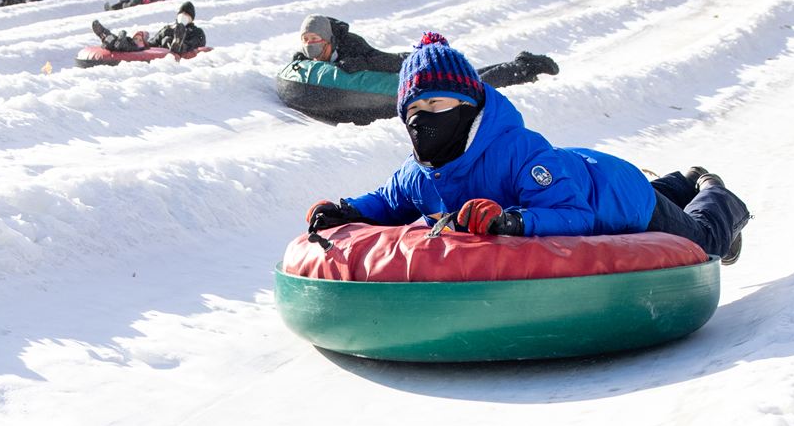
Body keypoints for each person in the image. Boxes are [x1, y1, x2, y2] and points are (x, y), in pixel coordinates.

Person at [303, 33, 749, 264]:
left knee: (705, 242)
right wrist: (350, 210)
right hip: (576, 173)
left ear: (468, 104)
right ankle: (680, 181)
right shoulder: (419, 173)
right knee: (657, 194)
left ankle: (710, 189)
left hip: (618, 196)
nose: (423, 118)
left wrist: (511, 220)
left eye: (436, 103)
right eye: (413, 109)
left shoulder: (518, 150)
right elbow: (388, 201)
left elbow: (576, 215)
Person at [292, 15, 559, 85]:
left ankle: (523, 66)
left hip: (413, 68)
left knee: (474, 82)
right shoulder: (312, 52)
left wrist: (361, 65)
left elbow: (384, 62)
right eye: (305, 40)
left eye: (315, 38)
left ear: (327, 39)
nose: (310, 45)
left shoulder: (351, 45)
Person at [90, 1, 205, 55]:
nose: (183, 16)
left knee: (167, 40)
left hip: (178, 49)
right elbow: (153, 42)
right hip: (161, 49)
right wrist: (142, 43)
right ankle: (108, 37)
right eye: (181, 13)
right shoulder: (169, 28)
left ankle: (177, 43)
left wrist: (182, 45)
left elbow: (197, 43)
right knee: (135, 42)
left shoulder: (196, 31)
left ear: (191, 18)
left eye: (187, 15)